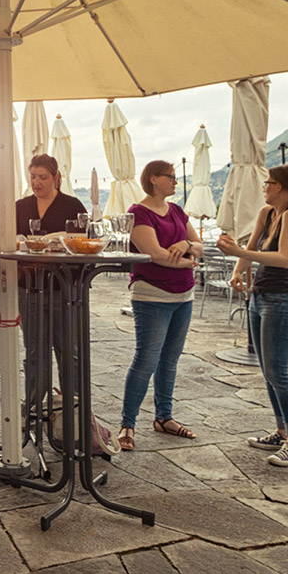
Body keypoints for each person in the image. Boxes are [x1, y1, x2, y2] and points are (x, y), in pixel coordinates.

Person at [217, 165, 288, 467]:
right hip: (260, 299)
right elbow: (250, 247)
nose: (264, 187)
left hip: (282, 301)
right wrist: (237, 271)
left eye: (268, 183)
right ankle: (282, 431)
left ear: (281, 187)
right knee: (269, 373)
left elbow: (284, 259)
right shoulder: (266, 214)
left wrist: (239, 256)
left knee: (278, 374)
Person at [118, 160, 203, 451]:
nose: (175, 182)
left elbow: (200, 244)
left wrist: (187, 246)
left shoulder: (177, 211)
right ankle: (127, 425)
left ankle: (164, 417)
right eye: (171, 177)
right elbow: (154, 254)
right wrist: (191, 260)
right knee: (146, 360)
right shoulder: (138, 212)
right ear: (154, 179)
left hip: (184, 295)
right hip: (152, 295)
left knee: (170, 359)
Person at [14, 154, 88, 438]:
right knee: (35, 352)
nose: (37, 182)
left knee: (69, 353)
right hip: (29, 288)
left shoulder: (72, 206)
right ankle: (33, 411)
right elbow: (9, 241)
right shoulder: (20, 206)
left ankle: (76, 413)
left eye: (43, 177)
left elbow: (84, 244)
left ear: (56, 177)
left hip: (65, 290)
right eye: (33, 176)